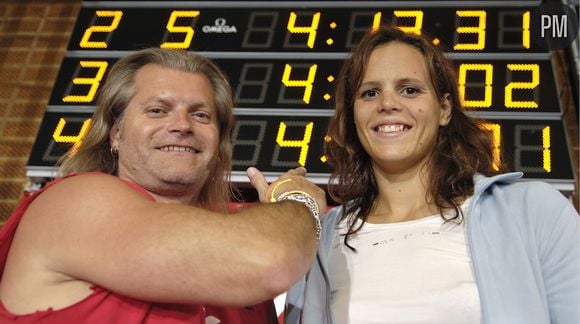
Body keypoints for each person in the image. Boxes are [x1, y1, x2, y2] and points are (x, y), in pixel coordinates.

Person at [0, 48, 327, 323]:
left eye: (201, 115)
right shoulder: (73, 203)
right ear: (116, 134)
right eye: (157, 110)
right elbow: (269, 257)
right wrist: (298, 200)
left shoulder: (236, 263)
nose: (182, 125)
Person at [284, 25, 580, 324]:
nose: (387, 104)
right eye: (370, 93)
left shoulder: (532, 212)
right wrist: (285, 221)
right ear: (354, 115)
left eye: (409, 89)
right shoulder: (324, 237)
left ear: (445, 109)